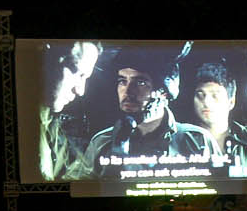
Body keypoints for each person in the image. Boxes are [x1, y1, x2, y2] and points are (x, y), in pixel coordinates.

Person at [83, 48, 208, 178]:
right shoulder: (102, 142)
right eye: (122, 82)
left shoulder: (198, 141)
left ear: (164, 92)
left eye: (140, 83)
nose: (127, 92)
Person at [171, 60, 247, 178]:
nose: (206, 102)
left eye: (215, 95)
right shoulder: (177, 138)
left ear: (231, 102)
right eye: (200, 95)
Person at [39, 40, 103, 180]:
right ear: (45, 56)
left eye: (86, 78)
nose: (80, 91)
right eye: (77, 72)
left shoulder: (49, 122)